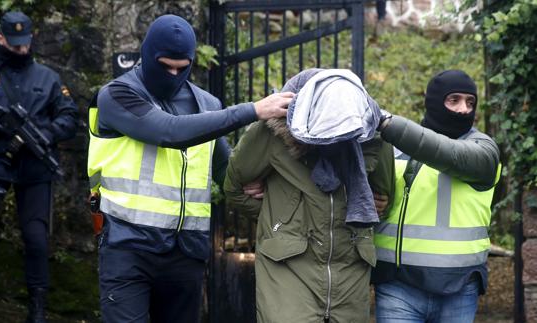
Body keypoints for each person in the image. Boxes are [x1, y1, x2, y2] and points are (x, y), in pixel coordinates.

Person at [87, 14, 294, 323]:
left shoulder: (206, 104)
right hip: (128, 247)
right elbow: (168, 131)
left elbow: (228, 170)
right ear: (147, 55)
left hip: (186, 253)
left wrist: (259, 185)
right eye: (165, 65)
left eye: (182, 68)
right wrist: (252, 110)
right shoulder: (117, 95)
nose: (172, 74)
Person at [223, 68, 394, 322]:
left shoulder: (373, 135)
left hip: (350, 269)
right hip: (288, 270)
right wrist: (283, 217)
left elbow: (383, 198)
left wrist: (371, 203)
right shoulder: (272, 132)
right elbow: (234, 189)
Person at [0, 11, 79, 322]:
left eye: (24, 43)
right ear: (0, 38)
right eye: (14, 44)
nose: (21, 50)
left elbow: (69, 117)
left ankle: (37, 309)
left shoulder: (49, 78)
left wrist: (47, 134)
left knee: (36, 237)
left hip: (34, 164)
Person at [372, 69, 501, 322]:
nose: (464, 109)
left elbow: (444, 152)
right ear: (433, 102)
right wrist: (372, 202)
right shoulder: (394, 147)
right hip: (397, 284)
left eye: (470, 102)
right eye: (454, 100)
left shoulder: (483, 150)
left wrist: (387, 122)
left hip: (459, 287)